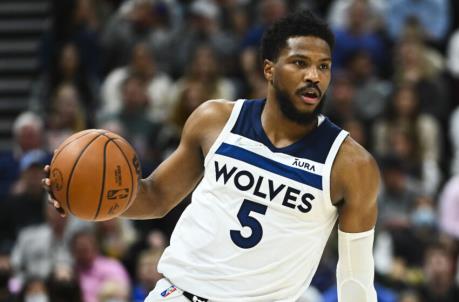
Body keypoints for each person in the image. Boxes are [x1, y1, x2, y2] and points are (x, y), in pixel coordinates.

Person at [44, 10, 379, 301]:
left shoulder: (350, 164)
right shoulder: (215, 120)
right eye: (300, 63)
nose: (313, 76)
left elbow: (355, 280)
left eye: (324, 66)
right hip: (177, 294)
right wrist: (84, 198)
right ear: (269, 70)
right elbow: (157, 196)